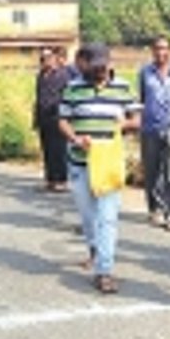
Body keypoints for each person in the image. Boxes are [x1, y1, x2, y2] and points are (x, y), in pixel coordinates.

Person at [58, 43, 139, 294]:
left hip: (109, 163)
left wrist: (124, 123)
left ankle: (104, 271)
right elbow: (63, 121)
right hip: (80, 162)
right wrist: (75, 139)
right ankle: (95, 248)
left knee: (107, 218)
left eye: (100, 68)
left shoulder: (123, 88)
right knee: (89, 215)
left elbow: (137, 119)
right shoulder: (73, 89)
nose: (96, 73)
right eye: (92, 68)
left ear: (108, 64)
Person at [137, 35, 170, 230]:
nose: (160, 52)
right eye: (157, 48)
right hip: (150, 126)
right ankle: (154, 208)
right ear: (152, 50)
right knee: (152, 169)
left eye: (164, 48)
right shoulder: (145, 72)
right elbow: (141, 99)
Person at [33, 48, 70, 191]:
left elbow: (67, 96)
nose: (44, 61)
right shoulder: (41, 76)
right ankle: (50, 179)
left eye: (47, 57)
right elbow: (38, 98)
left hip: (57, 116)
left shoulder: (62, 75)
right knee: (47, 149)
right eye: (42, 58)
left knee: (59, 149)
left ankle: (61, 180)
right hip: (43, 117)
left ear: (54, 59)